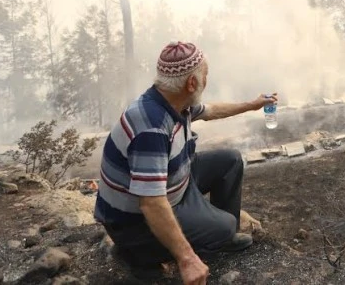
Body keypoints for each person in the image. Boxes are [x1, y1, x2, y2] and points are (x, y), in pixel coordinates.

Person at [94, 41, 277, 285]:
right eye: (206, 74)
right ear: (192, 83)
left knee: (230, 160)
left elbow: (212, 110)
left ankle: (223, 235)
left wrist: (253, 104)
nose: (207, 79)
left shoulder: (174, 101)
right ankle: (138, 255)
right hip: (134, 222)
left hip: (175, 185)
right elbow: (150, 203)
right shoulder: (152, 127)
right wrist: (187, 258)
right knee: (224, 227)